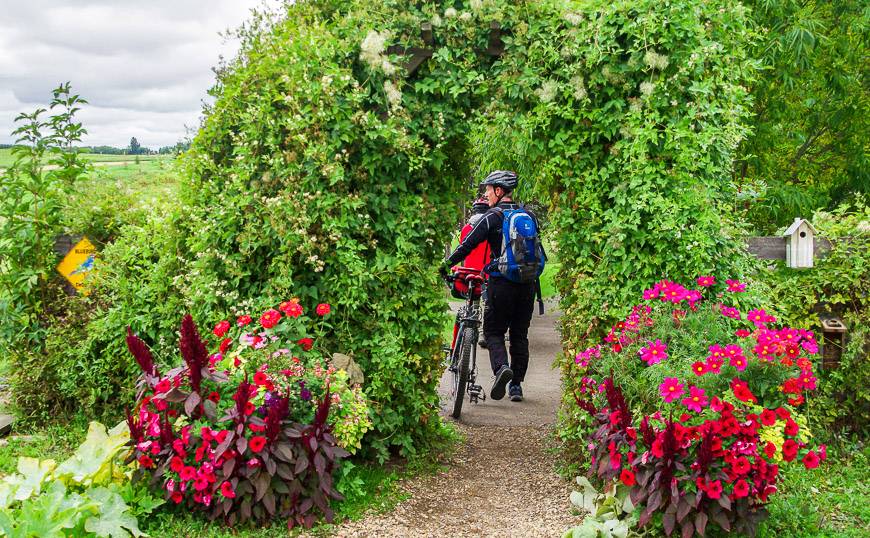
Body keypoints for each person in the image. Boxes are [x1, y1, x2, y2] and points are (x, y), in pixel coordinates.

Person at [441, 170, 542, 402]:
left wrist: (447, 264)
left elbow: (468, 244)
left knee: (494, 331)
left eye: (488, 189)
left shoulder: (493, 216)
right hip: (527, 283)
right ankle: (516, 386)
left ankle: (501, 369)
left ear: (499, 190)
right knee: (519, 334)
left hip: (501, 284)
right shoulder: (529, 215)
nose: (486, 194)